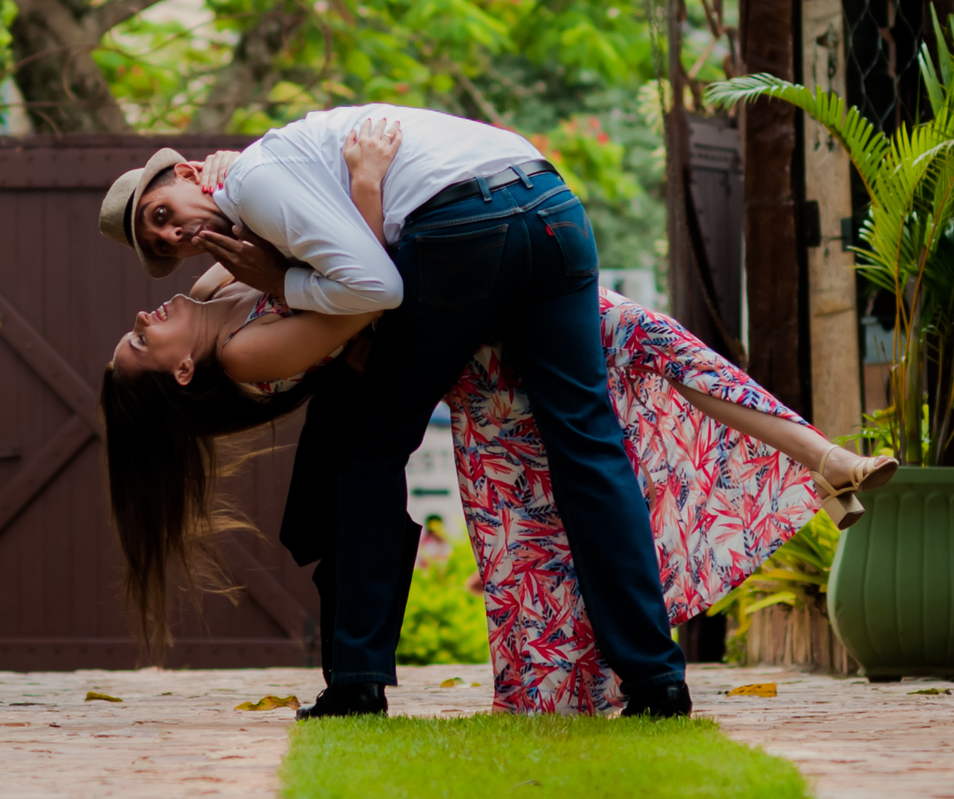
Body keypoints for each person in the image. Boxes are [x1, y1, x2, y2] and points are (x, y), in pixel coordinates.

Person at [98, 120, 899, 716]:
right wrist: (356, 196)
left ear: (189, 172)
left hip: (466, 238)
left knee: (375, 456)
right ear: (178, 371)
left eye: (161, 213)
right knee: (592, 439)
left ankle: (359, 681)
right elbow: (365, 296)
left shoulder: (238, 227)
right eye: (159, 240)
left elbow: (363, 281)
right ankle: (657, 678)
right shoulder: (240, 315)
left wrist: (265, 214)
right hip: (542, 200)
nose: (168, 245)